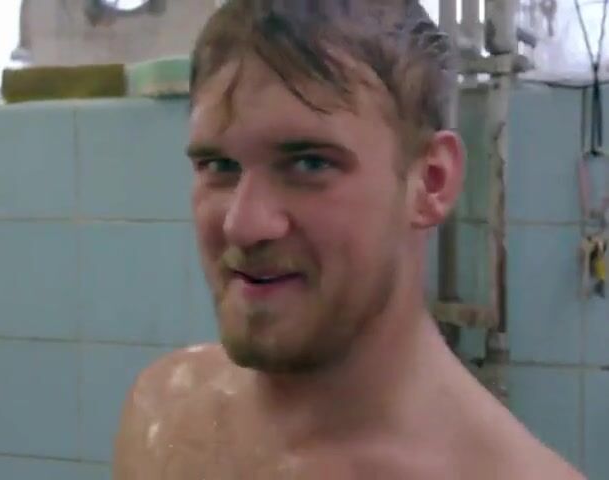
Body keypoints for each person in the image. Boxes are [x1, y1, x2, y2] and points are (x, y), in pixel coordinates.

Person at [112, 0, 586, 478]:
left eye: (309, 163)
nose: (242, 224)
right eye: (219, 166)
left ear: (432, 182)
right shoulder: (163, 416)